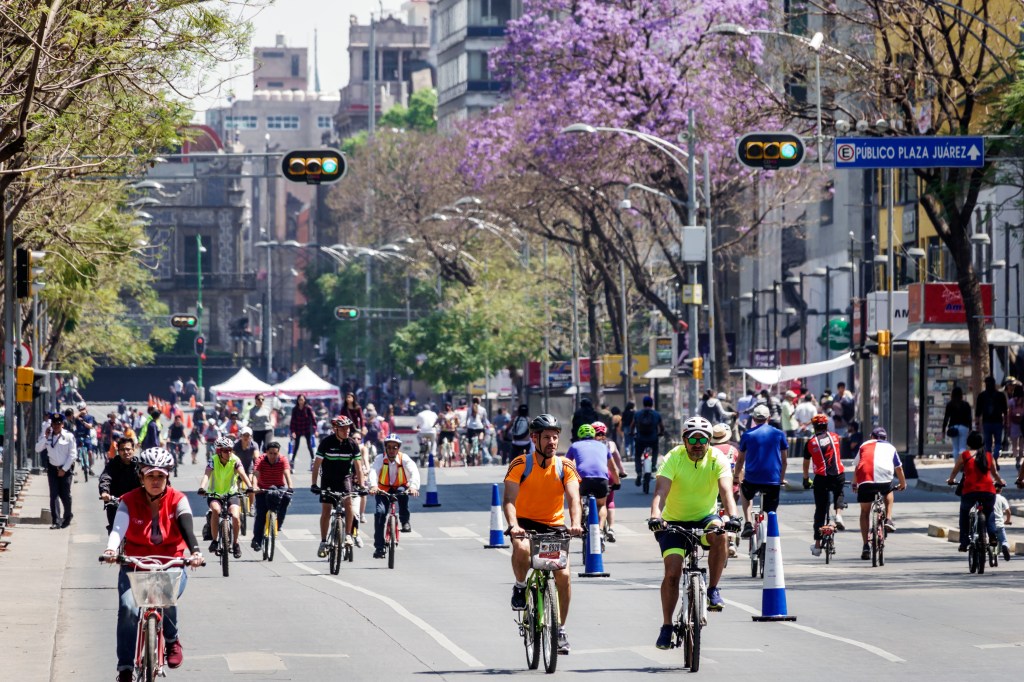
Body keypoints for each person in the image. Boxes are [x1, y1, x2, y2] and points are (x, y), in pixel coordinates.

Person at [101, 448, 203, 681]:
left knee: (166, 594)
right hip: (135, 564)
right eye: (150, 476)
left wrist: (195, 552)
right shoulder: (128, 500)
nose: (156, 481)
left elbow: (187, 526)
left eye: (161, 476)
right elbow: (118, 528)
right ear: (141, 477)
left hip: (171, 563)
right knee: (128, 608)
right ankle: (125, 667)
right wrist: (111, 549)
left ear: (168, 477)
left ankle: (171, 639)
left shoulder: (179, 499)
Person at [648, 416, 740, 649]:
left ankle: (712, 589)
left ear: (709, 441)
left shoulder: (716, 457)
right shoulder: (673, 457)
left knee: (720, 534)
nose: (698, 444)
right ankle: (667, 626)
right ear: (684, 440)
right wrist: (655, 517)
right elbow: (660, 491)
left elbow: (727, 491)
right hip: (674, 523)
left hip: (705, 518)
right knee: (672, 575)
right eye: (693, 439)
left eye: (703, 439)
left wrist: (734, 517)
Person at [504, 414, 582, 655]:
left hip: (554, 526)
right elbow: (509, 500)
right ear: (534, 438)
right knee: (523, 549)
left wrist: (576, 523)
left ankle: (560, 630)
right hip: (525, 523)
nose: (552, 442)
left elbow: (574, 499)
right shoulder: (520, 464)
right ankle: (519, 586)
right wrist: (514, 525)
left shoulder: (565, 466)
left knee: (564, 576)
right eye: (547, 437)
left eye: (555, 437)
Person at [312, 415, 365, 558]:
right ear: (335, 429)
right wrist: (314, 484)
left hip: (344, 479)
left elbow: (358, 468)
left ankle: (348, 535)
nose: (347, 431)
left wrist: (361, 486)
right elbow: (316, 465)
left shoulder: (352, 444)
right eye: (343, 428)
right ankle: (323, 541)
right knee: (326, 510)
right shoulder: (326, 442)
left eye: (348, 428)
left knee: (348, 504)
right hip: (328, 479)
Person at [851, 427, 907, 560]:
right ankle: (888, 518)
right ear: (885, 438)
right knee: (889, 490)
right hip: (884, 480)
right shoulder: (891, 447)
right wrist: (903, 483)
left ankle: (865, 545)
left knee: (865, 512)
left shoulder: (864, 445)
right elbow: (898, 468)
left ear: (872, 437)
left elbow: (857, 466)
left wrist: (854, 484)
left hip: (865, 480)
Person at [947, 430, 1004, 555]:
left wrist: (951, 480)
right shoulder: (989, 456)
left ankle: (964, 541)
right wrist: (1001, 482)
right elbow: (995, 474)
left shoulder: (964, 455)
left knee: (964, 513)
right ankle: (992, 535)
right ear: (983, 442)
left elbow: (955, 471)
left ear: (968, 443)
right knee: (989, 512)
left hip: (969, 491)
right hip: (988, 491)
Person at [735, 404, 788, 538]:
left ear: (753, 418)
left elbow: (740, 460)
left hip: (752, 479)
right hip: (773, 480)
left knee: (745, 492)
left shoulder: (747, 435)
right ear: (769, 418)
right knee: (771, 510)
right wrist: (781, 479)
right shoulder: (779, 434)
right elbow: (784, 461)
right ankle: (771, 528)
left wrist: (736, 476)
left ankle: (747, 522)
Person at [198, 436, 254, 559]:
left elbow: (243, 474)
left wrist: (250, 486)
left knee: (235, 516)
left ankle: (235, 544)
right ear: (218, 451)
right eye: (225, 450)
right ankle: (214, 540)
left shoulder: (235, 460)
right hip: (214, 494)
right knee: (216, 511)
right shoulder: (213, 460)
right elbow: (207, 474)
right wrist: (202, 487)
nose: (228, 452)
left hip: (231, 493)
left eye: (230, 449)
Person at [368, 434, 421, 558]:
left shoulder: (405, 458)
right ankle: (379, 548)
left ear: (398, 448)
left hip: (399, 487)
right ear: (385, 448)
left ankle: (405, 520)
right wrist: (373, 486)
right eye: (389, 447)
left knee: (403, 494)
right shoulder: (380, 459)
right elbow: (373, 472)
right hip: (383, 489)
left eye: (395, 447)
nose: (392, 450)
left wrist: (413, 487)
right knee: (380, 513)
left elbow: (414, 472)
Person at [802, 414, 847, 557]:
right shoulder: (835, 437)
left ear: (814, 427)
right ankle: (838, 515)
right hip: (838, 474)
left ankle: (817, 545)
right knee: (839, 492)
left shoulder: (811, 442)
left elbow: (806, 462)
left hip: (821, 478)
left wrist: (806, 478)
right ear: (826, 426)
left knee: (820, 510)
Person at [566, 423, 618, 536]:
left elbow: (566, 464)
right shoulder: (603, 446)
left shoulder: (574, 446)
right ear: (594, 434)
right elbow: (613, 468)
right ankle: (599, 530)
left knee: (577, 500)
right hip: (602, 479)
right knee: (601, 505)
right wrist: (617, 482)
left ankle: (578, 525)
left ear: (579, 435)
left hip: (582, 479)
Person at [249, 441, 294, 552]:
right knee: (260, 515)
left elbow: (287, 473)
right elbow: (256, 474)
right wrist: (254, 487)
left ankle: (278, 524)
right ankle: (257, 540)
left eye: (275, 453)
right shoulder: (260, 460)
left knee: (287, 498)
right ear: (266, 453)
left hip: (279, 487)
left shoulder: (283, 459)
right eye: (271, 453)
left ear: (278, 453)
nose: (273, 456)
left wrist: (290, 487)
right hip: (262, 489)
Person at [36, 413, 77, 529]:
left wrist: (64, 469)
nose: (56, 426)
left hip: (65, 469)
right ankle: (56, 521)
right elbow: (37, 448)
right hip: (53, 469)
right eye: (54, 424)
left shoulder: (69, 436)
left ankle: (67, 516)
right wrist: (45, 436)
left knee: (65, 495)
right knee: (53, 495)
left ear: (62, 424)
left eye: (58, 424)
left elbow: (73, 455)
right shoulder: (48, 436)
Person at [592, 421, 626, 541]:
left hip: (590, 475)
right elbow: (617, 459)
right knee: (609, 501)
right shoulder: (610, 444)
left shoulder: (588, 444)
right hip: (608, 475)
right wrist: (622, 471)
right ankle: (611, 528)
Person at [99, 438, 141, 532]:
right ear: (118, 451)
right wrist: (104, 492)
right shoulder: (112, 465)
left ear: (133, 450)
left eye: (128, 449)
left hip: (137, 503)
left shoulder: (139, 465)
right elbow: (105, 478)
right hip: (116, 503)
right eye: (122, 450)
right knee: (114, 530)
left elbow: (147, 479)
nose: (126, 452)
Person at [632, 396, 665, 483]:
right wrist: (661, 433)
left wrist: (631, 432)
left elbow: (632, 425)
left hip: (640, 439)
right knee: (655, 450)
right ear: (652, 404)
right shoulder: (656, 414)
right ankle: (653, 465)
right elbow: (661, 427)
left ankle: (639, 472)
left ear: (643, 404)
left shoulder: (637, 414)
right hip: (653, 438)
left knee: (637, 455)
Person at [976, 376, 1008, 465]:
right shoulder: (1001, 395)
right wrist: (1006, 423)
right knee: (998, 442)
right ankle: (995, 456)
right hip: (998, 422)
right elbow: (1005, 411)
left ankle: (990, 461)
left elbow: (978, 412)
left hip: (986, 423)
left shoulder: (981, 396)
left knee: (988, 444)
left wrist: (977, 424)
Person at [942, 386, 972, 460]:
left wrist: (943, 429)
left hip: (953, 426)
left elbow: (946, 418)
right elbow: (969, 418)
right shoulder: (966, 404)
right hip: (964, 427)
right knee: (962, 447)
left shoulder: (950, 404)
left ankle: (957, 464)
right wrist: (970, 428)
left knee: (955, 448)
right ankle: (963, 463)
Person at [289, 394, 317, 469]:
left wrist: (314, 429)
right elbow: (292, 421)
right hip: (298, 429)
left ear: (305, 400)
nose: (301, 401)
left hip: (307, 428)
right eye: (299, 400)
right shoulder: (295, 409)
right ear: (297, 401)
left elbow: (313, 420)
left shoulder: (308, 409)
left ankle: (313, 460)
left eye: (302, 399)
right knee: (296, 446)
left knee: (309, 445)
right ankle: (292, 462)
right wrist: (293, 432)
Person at [464, 396, 490, 465]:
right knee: (481, 435)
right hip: (479, 427)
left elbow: (467, 420)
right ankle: (480, 444)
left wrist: (465, 426)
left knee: (469, 443)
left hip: (470, 428)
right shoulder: (483, 409)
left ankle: (468, 455)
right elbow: (485, 420)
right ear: (479, 402)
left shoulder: (469, 409)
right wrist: (487, 425)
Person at [992, 482, 1013, 562]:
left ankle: (990, 551)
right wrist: (1007, 520)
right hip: (1000, 524)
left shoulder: (989, 498)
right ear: (1001, 490)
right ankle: (1004, 546)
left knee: (990, 538)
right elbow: (1008, 511)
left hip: (990, 524)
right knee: (1004, 540)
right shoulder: (1002, 498)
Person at [1006, 383, 1024, 470]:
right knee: (1021, 444)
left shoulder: (1011, 401)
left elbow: (1009, 414)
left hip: (1014, 424)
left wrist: (1008, 424)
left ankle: (1016, 458)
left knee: (1014, 444)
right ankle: (1020, 459)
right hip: (1023, 424)